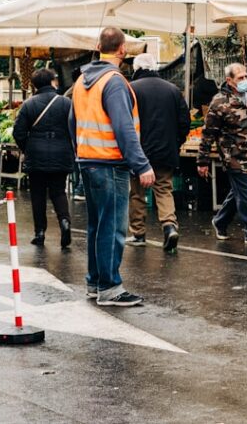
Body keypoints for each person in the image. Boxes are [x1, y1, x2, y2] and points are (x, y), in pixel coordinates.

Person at [69, 27, 154, 307]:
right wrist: (141, 164)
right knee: (114, 226)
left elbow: (72, 121)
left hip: (87, 160)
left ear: (98, 46)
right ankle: (109, 287)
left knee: (97, 224)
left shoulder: (82, 81)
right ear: (122, 50)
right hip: (110, 163)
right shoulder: (115, 81)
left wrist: (80, 150)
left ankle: (95, 282)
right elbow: (123, 127)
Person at [198, 63, 247, 247]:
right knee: (245, 194)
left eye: (246, 76)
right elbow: (208, 134)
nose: (245, 80)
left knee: (240, 192)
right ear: (229, 81)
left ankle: (220, 221)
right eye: (240, 78)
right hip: (234, 157)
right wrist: (203, 160)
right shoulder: (219, 102)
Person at [125, 53, 190, 252]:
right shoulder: (172, 89)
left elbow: (125, 121)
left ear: (136, 69)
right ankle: (169, 227)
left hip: (138, 151)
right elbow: (184, 122)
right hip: (165, 150)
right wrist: (177, 142)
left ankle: (138, 233)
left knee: (136, 192)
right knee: (164, 189)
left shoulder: (130, 89)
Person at [13, 68, 74, 249]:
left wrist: (28, 148)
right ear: (52, 82)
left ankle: (40, 232)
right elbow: (74, 127)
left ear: (34, 85)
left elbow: (19, 132)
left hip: (36, 155)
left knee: (38, 194)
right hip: (61, 153)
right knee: (58, 191)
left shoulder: (29, 104)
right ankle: (64, 221)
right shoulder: (66, 103)